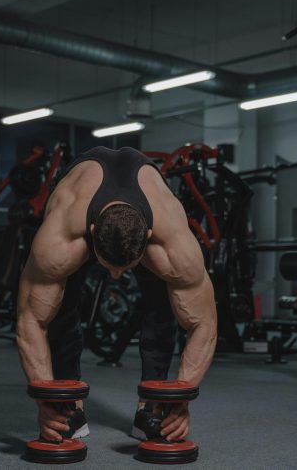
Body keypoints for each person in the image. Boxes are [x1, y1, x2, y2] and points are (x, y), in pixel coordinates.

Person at [16, 146, 216, 444]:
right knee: (60, 309)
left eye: (125, 269)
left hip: (146, 210)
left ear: (149, 238)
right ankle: (66, 407)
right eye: (108, 267)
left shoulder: (172, 240)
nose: (115, 276)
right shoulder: (61, 238)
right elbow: (30, 321)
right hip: (79, 194)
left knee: (163, 308)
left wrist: (180, 401)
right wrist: (44, 400)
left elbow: (204, 324)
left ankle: (154, 407)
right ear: (92, 232)